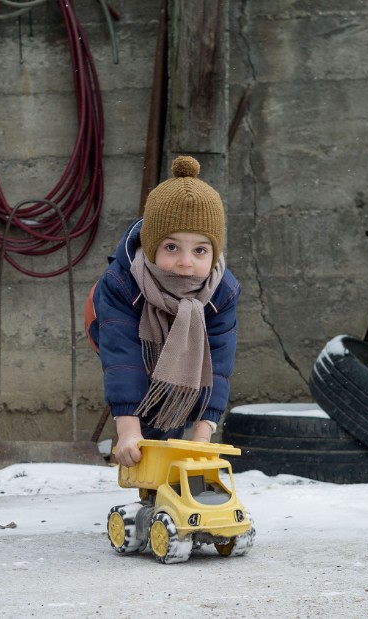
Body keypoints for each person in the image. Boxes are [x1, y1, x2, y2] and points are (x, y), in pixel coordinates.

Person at [86, 155, 241, 468]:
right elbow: (122, 360)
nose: (186, 261)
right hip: (118, 330)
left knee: (178, 410)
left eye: (200, 250)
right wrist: (128, 430)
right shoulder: (122, 283)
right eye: (172, 247)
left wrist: (202, 436)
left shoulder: (222, 292)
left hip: (184, 339)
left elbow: (218, 363)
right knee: (144, 401)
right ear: (152, 244)